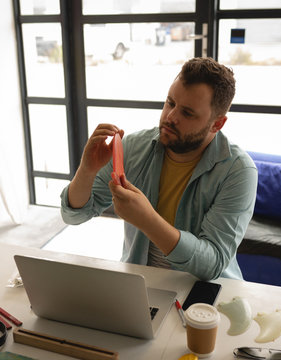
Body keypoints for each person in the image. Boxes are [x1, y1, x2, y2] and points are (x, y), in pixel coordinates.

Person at [60, 57, 257, 281]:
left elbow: (212, 264)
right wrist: (86, 170)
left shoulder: (239, 171)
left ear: (217, 124)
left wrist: (147, 220)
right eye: (170, 103)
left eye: (187, 113)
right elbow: (73, 216)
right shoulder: (134, 147)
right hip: (140, 283)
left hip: (204, 296)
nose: (170, 117)